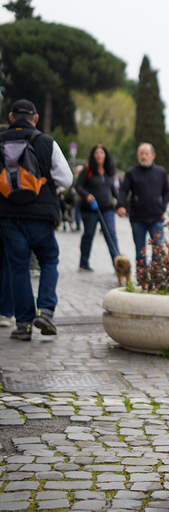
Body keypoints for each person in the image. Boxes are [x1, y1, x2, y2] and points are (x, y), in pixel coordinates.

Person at [0, 99, 73, 341]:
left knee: (18, 268)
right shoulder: (45, 141)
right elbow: (66, 178)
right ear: (36, 118)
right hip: (41, 215)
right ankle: (46, 311)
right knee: (49, 260)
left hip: (8, 215)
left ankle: (23, 325)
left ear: (11, 117)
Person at [116, 143, 169, 269]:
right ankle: (142, 279)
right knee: (141, 251)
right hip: (137, 217)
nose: (144, 156)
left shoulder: (160, 172)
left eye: (147, 154)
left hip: (156, 217)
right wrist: (120, 205)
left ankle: (156, 278)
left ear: (153, 156)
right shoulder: (131, 173)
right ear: (137, 155)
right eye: (142, 154)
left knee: (158, 250)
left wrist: (163, 206)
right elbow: (123, 190)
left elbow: (167, 191)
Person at [75, 144, 120, 271]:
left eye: (102, 153)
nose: (99, 155)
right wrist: (86, 195)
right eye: (97, 153)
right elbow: (78, 186)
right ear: (93, 155)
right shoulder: (87, 170)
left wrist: (120, 203)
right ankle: (84, 263)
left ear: (106, 155)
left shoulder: (109, 171)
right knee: (88, 234)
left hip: (107, 208)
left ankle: (117, 263)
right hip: (90, 209)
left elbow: (113, 190)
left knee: (111, 234)